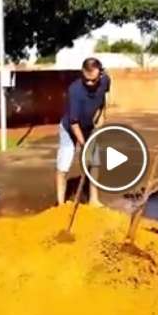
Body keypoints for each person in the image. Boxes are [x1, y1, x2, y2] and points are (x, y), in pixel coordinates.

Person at [55, 57, 109, 206]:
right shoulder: (75, 90)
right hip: (69, 128)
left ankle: (94, 199)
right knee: (64, 163)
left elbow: (104, 96)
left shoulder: (105, 80)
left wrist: (102, 114)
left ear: (100, 74)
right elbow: (74, 123)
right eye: (86, 80)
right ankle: (60, 203)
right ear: (82, 74)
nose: (90, 84)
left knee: (94, 162)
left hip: (90, 126)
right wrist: (84, 145)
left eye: (94, 80)